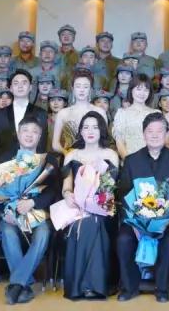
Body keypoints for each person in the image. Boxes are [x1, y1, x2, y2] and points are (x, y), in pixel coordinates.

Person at [117, 112, 169, 303]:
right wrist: (135, 222)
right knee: (124, 239)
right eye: (150, 131)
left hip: (168, 221)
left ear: (167, 134)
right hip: (136, 220)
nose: (155, 135)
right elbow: (123, 194)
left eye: (160, 131)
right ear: (143, 134)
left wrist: (166, 220)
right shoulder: (132, 160)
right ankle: (129, 287)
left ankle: (162, 287)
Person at [0, 119, 59, 305]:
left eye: (34, 132)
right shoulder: (6, 158)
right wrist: (5, 210)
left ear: (40, 137)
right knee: (7, 231)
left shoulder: (48, 160)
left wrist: (33, 202)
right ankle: (23, 285)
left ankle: (16, 284)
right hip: (11, 213)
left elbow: (53, 191)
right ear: (18, 134)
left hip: (38, 213)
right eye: (25, 130)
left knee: (43, 233)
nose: (29, 135)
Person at [61, 111, 120, 300]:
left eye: (95, 127)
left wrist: (96, 203)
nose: (90, 131)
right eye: (86, 127)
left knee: (94, 221)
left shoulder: (110, 154)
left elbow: (110, 187)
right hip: (76, 207)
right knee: (85, 222)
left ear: (102, 130)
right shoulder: (72, 154)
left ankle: (88, 285)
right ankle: (90, 285)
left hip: (103, 207)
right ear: (80, 131)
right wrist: (68, 195)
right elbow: (66, 186)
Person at [0, 70, 50, 162]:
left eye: (24, 83)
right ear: (10, 88)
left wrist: (36, 165)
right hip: (4, 166)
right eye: (16, 83)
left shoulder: (41, 113)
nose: (20, 86)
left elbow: (42, 143)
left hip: (31, 165)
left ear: (30, 87)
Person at [51, 70, 105, 155]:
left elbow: (104, 140)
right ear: (72, 88)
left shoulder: (100, 112)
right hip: (69, 157)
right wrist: (68, 154)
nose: (82, 90)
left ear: (90, 89)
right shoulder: (63, 113)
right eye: (78, 86)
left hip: (95, 158)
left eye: (85, 87)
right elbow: (55, 144)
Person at [114, 74, 156, 158]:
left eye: (146, 90)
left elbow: (159, 141)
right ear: (131, 90)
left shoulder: (156, 113)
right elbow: (120, 143)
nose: (142, 93)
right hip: (129, 160)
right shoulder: (122, 114)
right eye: (138, 89)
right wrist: (130, 162)